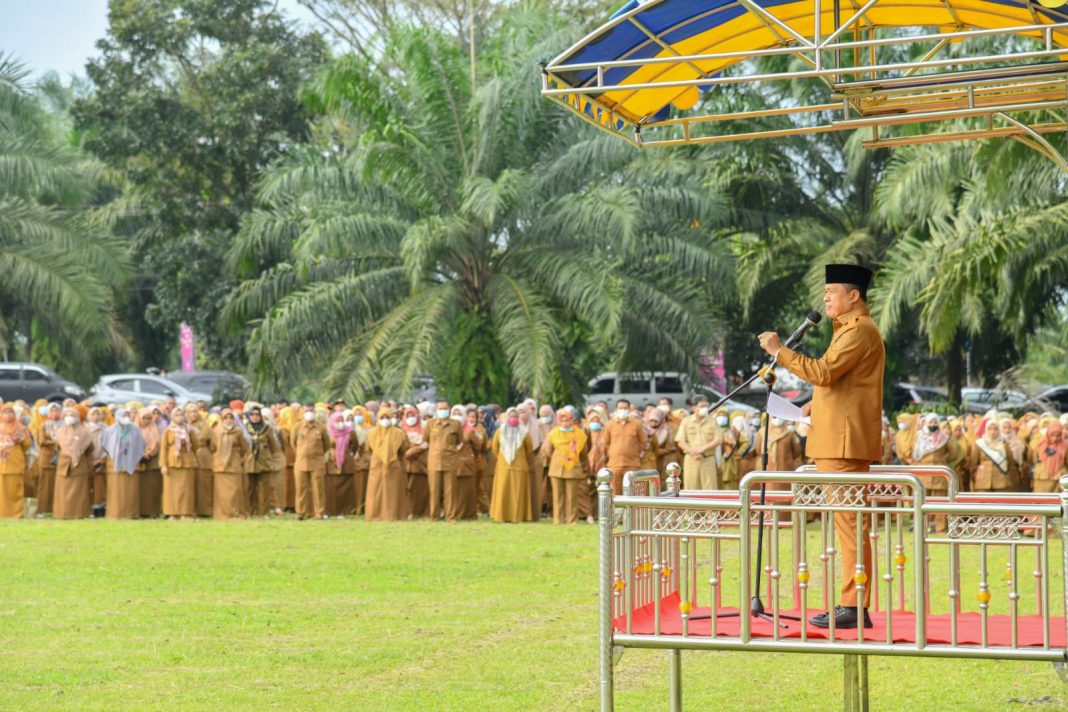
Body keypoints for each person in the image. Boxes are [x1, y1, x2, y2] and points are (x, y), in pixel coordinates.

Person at [760, 263, 884, 630]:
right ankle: (851, 603)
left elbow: (824, 372)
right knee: (849, 526)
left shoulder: (859, 331)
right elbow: (841, 385)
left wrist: (779, 351)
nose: (826, 298)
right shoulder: (847, 330)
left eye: (832, 292)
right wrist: (817, 405)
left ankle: (854, 606)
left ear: (854, 296)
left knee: (850, 526)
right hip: (836, 439)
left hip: (843, 445)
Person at [911, 413, 959, 532]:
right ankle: (922, 525)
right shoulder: (919, 437)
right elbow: (914, 454)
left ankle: (940, 527)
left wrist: (943, 461)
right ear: (926, 423)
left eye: (935, 423)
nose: (933, 425)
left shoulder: (943, 438)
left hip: (939, 474)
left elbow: (954, 454)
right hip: (923, 473)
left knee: (940, 500)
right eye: (931, 423)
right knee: (923, 499)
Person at [542, 407, 589, 524]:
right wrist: (559, 456)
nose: (565, 423)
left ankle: (572, 520)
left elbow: (583, 452)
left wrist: (581, 464)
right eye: (562, 420)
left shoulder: (579, 434)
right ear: (558, 421)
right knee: (557, 495)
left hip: (573, 467)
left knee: (572, 496)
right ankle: (558, 519)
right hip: (556, 468)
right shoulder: (553, 433)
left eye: (567, 420)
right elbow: (547, 450)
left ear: (572, 421)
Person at [364, 407, 410, 521]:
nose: (385, 420)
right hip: (377, 465)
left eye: (387, 417)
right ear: (378, 419)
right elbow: (368, 449)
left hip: (393, 465)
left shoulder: (399, 433)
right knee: (375, 492)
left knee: (392, 492)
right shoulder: (371, 433)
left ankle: (393, 515)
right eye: (382, 417)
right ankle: (374, 515)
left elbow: (404, 449)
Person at [490, 407, 534, 523]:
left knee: (518, 493)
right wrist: (502, 459)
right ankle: (501, 516)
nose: (513, 418)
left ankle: (517, 517)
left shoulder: (524, 432)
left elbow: (529, 449)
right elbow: (495, 449)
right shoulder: (500, 431)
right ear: (507, 417)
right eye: (511, 416)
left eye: (515, 416)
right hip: (503, 467)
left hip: (519, 467)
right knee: (503, 491)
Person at [102, 408, 145, 519]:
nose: (126, 417)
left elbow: (141, 444)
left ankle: (131, 513)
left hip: (131, 462)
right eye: (123, 415)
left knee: (130, 490)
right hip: (115, 464)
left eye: (127, 415)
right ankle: (115, 513)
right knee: (116, 491)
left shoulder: (135, 430)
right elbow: (105, 445)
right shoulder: (110, 430)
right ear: (117, 416)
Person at [291, 403, 332, 520]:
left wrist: (316, 454)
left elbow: (327, 444)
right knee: (300, 489)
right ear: (303, 412)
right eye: (306, 411)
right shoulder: (297, 426)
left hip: (317, 463)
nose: (309, 413)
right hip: (301, 462)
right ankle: (301, 513)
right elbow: (293, 443)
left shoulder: (321, 427)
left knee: (318, 489)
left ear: (315, 412)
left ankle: (319, 513)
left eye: (311, 411)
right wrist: (302, 453)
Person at [53, 407, 96, 519]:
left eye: (72, 415)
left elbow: (90, 448)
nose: (69, 417)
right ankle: (62, 513)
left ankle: (79, 513)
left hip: (79, 465)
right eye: (66, 414)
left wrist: (78, 451)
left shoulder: (85, 432)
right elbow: (57, 447)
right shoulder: (60, 431)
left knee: (79, 491)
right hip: (64, 464)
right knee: (62, 491)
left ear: (78, 417)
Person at [424, 401, 463, 522]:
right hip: (434, 461)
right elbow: (425, 440)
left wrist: (454, 451)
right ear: (436, 410)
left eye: (445, 408)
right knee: (434, 489)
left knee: (450, 490)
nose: (442, 411)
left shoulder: (456, 424)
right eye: (440, 409)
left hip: (450, 460)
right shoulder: (430, 424)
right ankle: (434, 516)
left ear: (449, 409)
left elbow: (460, 441)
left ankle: (451, 516)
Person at [210, 409, 250, 520]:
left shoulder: (238, 431)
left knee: (235, 491)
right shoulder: (216, 431)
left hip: (234, 465)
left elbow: (245, 448)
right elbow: (212, 447)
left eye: (231, 418)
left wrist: (239, 458)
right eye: (226, 418)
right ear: (222, 419)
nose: (229, 420)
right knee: (222, 493)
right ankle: (223, 514)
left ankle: (235, 513)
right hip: (220, 466)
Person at [160, 406, 199, 520]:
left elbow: (196, 446)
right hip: (172, 462)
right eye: (177, 415)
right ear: (172, 417)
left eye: (181, 415)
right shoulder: (168, 430)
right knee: (171, 489)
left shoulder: (189, 429)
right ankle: (172, 513)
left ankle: (186, 513)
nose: (180, 417)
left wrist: (188, 442)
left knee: (186, 489)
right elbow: (163, 448)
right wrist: (163, 465)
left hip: (187, 461)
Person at [674, 397, 721, 490]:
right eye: (702, 406)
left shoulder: (712, 421)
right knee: (691, 489)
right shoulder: (686, 421)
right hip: (691, 459)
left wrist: (702, 449)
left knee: (710, 489)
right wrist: (692, 451)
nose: (705, 408)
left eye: (706, 406)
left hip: (708, 459)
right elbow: (680, 441)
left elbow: (718, 439)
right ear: (694, 408)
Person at [602, 399, 648, 495]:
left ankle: (631, 510)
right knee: (615, 492)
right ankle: (617, 510)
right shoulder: (610, 424)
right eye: (620, 408)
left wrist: (633, 452)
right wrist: (613, 452)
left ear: (629, 409)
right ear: (616, 409)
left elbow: (643, 441)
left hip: (632, 463)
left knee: (632, 491)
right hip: (614, 464)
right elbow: (606, 443)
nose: (623, 410)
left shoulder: (637, 424)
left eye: (625, 408)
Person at [244, 406, 279, 517]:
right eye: (253, 415)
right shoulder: (244, 428)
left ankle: (263, 512)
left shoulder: (267, 429)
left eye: (257, 415)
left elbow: (274, 446)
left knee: (264, 488)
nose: (255, 417)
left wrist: (271, 459)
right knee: (250, 488)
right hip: (249, 461)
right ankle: (250, 511)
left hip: (264, 461)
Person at [969, 418, 1020, 493]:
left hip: (1001, 481)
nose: (992, 432)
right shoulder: (979, 444)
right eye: (990, 429)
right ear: (986, 430)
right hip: (983, 481)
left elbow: (1010, 463)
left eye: (995, 429)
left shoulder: (1004, 444)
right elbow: (973, 463)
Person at [0, 402, 31, 518]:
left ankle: (16, 513)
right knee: (2, 490)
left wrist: (16, 442)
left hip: (15, 462)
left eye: (10, 412)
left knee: (15, 490)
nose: (8, 415)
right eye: (5, 412)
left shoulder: (21, 428)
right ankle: (2, 513)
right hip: (1, 464)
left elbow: (27, 444)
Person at [325, 412, 359, 517]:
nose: (340, 423)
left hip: (346, 463)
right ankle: (329, 511)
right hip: (332, 463)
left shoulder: (350, 431)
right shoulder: (328, 432)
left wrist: (347, 453)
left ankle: (343, 511)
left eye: (341, 420)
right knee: (330, 487)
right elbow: (324, 445)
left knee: (346, 488)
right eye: (337, 421)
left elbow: (355, 445)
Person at [451, 407, 482, 520]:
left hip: (465, 464)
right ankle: (451, 512)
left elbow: (478, 446)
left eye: (459, 414)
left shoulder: (470, 430)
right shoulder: (448, 428)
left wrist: (468, 454)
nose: (457, 416)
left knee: (466, 489)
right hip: (450, 463)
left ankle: (466, 514)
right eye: (454, 413)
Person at [186, 403, 215, 517]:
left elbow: (210, 443)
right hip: (188, 455)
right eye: (190, 412)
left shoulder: (205, 426)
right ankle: (190, 509)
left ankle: (205, 510)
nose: (193, 414)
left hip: (202, 455)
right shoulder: (182, 425)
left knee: (204, 484)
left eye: (195, 411)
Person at [34, 402, 62, 517]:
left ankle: (57, 508)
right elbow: (41, 441)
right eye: (52, 411)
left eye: (56, 411)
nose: (54, 413)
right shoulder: (44, 425)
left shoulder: (63, 425)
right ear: (48, 413)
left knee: (58, 485)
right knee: (45, 485)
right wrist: (56, 442)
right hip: (47, 458)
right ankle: (42, 509)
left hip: (60, 458)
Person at [137, 408, 164, 518]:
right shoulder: (134, 430)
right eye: (144, 418)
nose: (147, 420)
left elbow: (158, 445)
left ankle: (154, 511)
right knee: (141, 488)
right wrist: (140, 455)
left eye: (149, 418)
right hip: (138, 463)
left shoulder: (155, 429)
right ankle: (141, 511)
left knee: (153, 488)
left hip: (153, 462)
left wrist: (149, 454)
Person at [1031, 421, 1066, 493]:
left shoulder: (1064, 446)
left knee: (1056, 501)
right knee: (1041, 501)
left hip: (1058, 478)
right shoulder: (1040, 444)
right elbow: (1033, 459)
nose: (1055, 438)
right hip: (1041, 478)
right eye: (1052, 435)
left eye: (1058, 436)